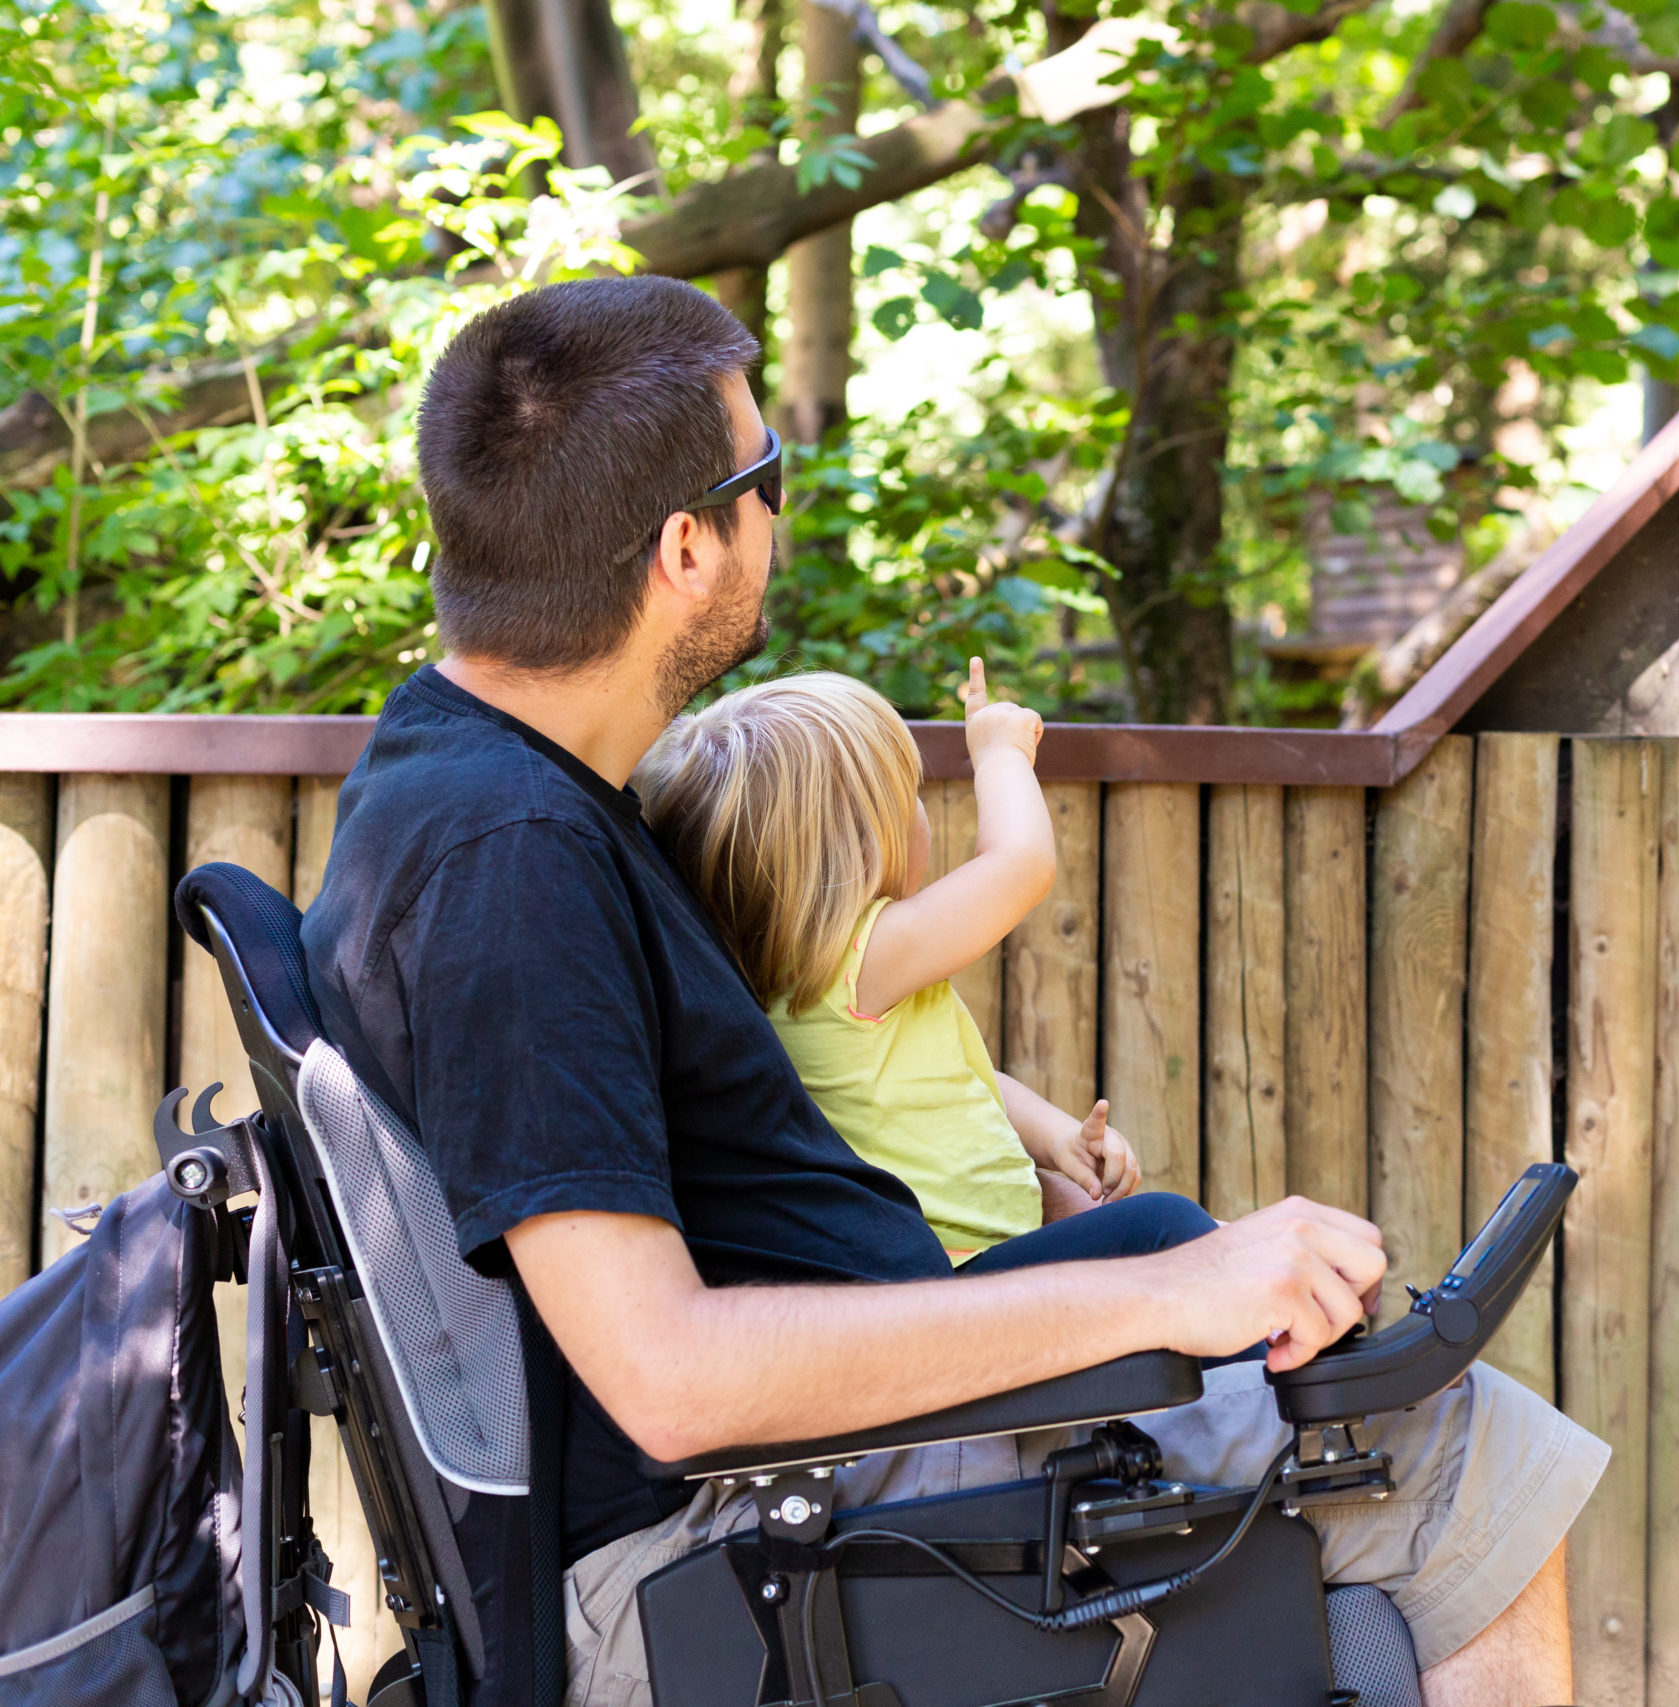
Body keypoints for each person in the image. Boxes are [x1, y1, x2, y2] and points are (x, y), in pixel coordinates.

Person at [300, 274, 1605, 1707]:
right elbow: (668, 1373)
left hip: (817, 1473)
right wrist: (1162, 1285)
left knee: (1331, 1354)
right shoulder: (511, 861)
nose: (776, 519)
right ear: (686, 544)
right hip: (739, 1547)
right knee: (1455, 1441)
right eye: (767, 480)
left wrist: (1079, 1219)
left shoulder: (495, 791)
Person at [633, 664, 1159, 1259]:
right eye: (909, 793)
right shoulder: (860, 963)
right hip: (966, 1269)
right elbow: (1022, 866)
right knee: (1167, 1226)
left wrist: (1056, 1137)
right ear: (860, 842)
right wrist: (1000, 754)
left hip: (966, 1258)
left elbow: (966, 1081)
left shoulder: (776, 977)